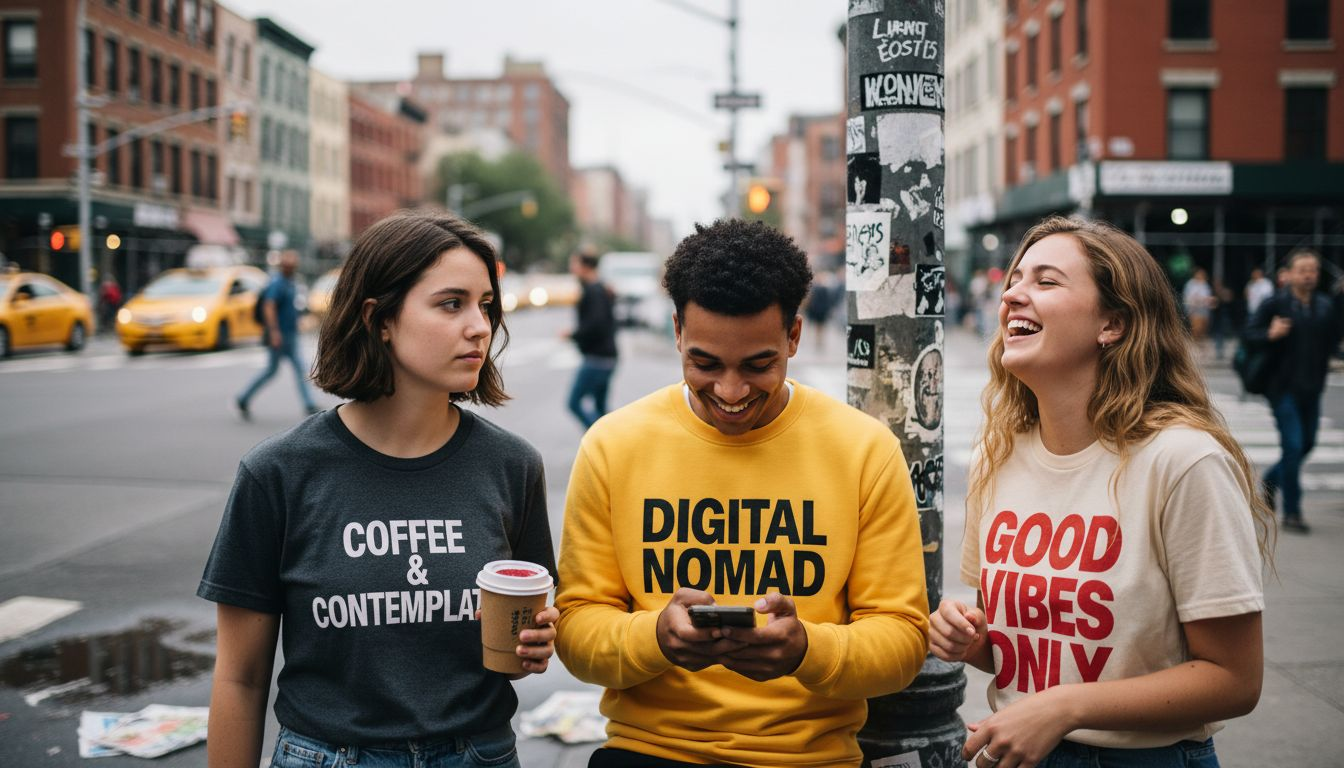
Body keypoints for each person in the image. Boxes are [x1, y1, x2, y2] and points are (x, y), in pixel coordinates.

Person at [554, 219, 929, 768]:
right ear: (677, 331)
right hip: (650, 752)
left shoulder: (863, 449)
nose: (730, 392)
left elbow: (903, 643)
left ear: (794, 336)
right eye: (705, 364)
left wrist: (806, 650)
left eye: (759, 366)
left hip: (809, 760)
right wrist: (656, 637)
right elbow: (577, 629)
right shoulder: (614, 445)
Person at [199, 212, 559, 768]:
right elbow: (240, 679)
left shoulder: (512, 466)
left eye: (486, 305)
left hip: (478, 753)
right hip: (329, 756)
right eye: (451, 303)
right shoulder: (278, 473)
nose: (480, 326)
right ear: (379, 319)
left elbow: (529, 626)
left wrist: (537, 644)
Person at [930, 216, 1271, 768]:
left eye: (1045, 281)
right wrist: (970, 640)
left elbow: (1234, 679)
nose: (1013, 294)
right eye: (1014, 280)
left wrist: (1065, 708)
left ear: (1111, 323)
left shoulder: (1182, 461)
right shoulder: (999, 457)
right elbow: (1020, 648)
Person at [1245, 248, 1341, 534]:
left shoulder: (1324, 306)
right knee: (1294, 446)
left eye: (1313, 270)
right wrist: (1268, 334)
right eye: (1303, 270)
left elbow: (1331, 343)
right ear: (1288, 274)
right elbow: (1249, 335)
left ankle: (1273, 479)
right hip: (1282, 388)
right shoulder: (1275, 303)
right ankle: (1293, 512)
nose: (1309, 275)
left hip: (1312, 387)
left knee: (1307, 444)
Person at [235, 250, 319, 419]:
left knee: (296, 368)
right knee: (273, 371)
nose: (291, 268)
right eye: (288, 265)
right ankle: (243, 398)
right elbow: (268, 306)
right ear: (283, 266)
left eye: (293, 265)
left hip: (290, 334)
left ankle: (309, 404)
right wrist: (274, 332)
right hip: (281, 335)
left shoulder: (291, 282)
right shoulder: (277, 283)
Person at [566, 250, 619, 428]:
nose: (572, 269)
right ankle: (611, 447)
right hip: (607, 356)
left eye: (575, 264)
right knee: (600, 407)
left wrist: (572, 334)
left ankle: (599, 443)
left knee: (573, 402)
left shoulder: (594, 290)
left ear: (585, 266)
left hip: (597, 357)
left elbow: (596, 324)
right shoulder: (602, 288)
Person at [1182, 268, 1214, 341]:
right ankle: (1195, 342)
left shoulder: (1205, 285)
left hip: (1204, 310)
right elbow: (1188, 298)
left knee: (1203, 329)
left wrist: (1210, 300)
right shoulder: (1190, 284)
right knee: (1196, 328)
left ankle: (1200, 341)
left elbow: (1207, 297)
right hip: (1194, 310)